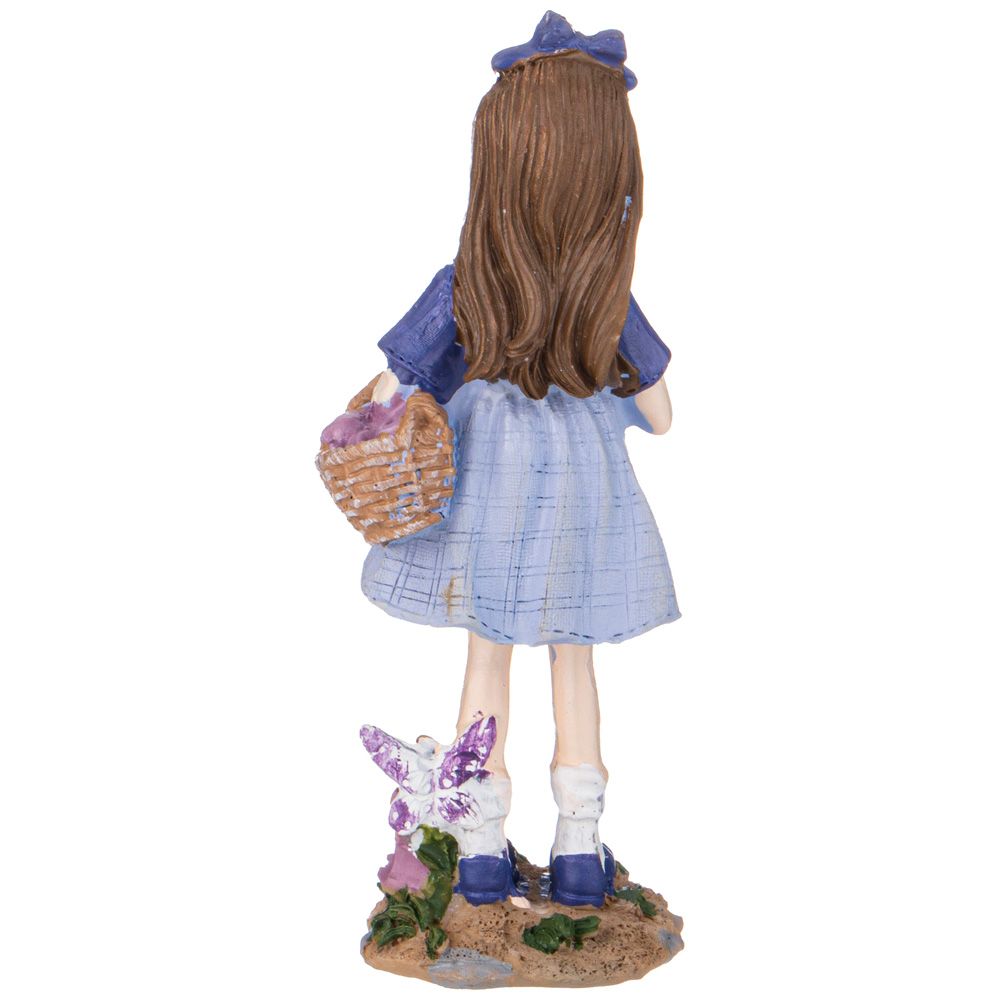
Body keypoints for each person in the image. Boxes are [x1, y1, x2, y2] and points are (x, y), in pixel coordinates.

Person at [358, 12, 679, 908]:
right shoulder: (607, 299)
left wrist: (364, 428)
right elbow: (662, 416)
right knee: (574, 658)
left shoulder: (469, 283)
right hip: (583, 503)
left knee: (487, 657)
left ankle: (481, 847)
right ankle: (579, 845)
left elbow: (390, 388)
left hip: (486, 500)